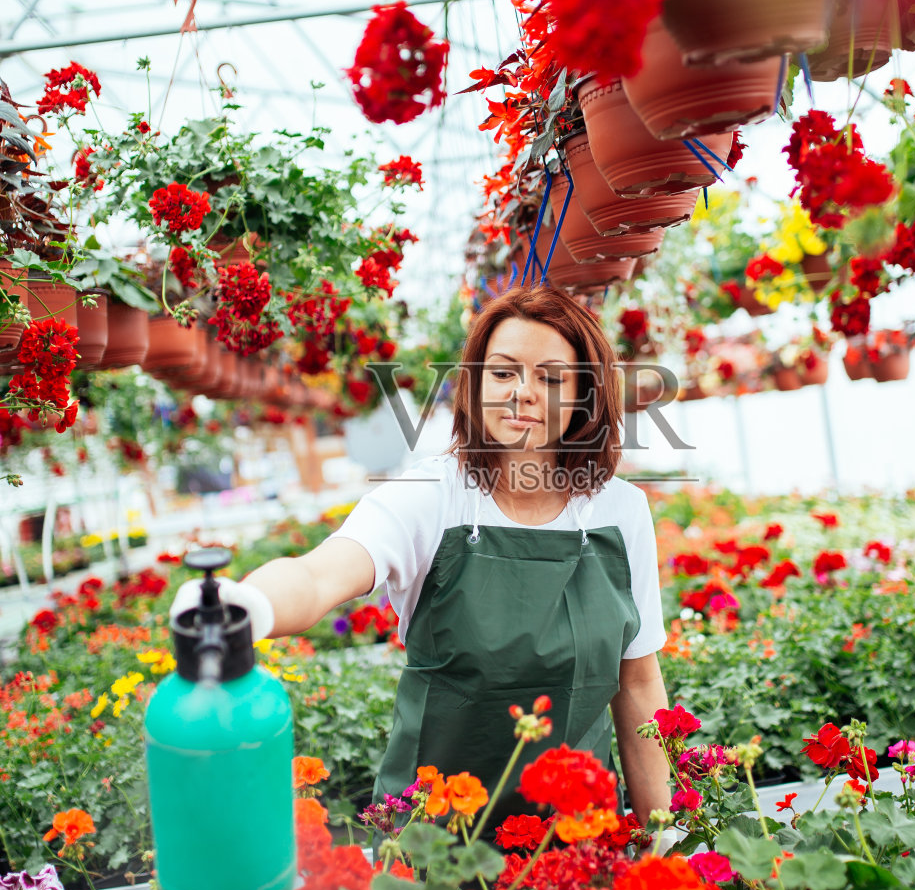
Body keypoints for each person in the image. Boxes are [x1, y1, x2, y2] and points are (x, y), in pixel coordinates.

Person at [174, 287, 672, 826]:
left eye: (551, 378)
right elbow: (320, 575)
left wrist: (663, 834)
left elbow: (639, 682)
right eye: (503, 372)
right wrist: (242, 604)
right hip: (437, 835)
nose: (523, 393)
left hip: (578, 835)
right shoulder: (431, 496)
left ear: (584, 395)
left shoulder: (619, 511)